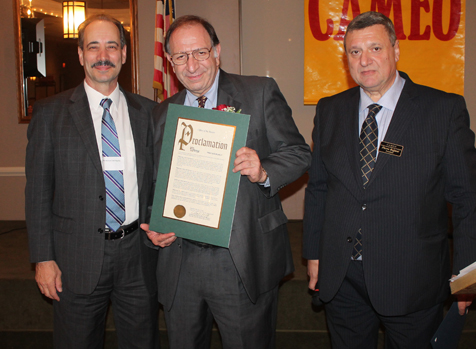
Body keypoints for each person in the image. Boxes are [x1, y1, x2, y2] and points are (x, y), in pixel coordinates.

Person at [303, 11, 476, 348]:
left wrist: (468, 275)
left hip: (412, 278)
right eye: (355, 52)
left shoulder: (442, 110)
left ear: (396, 50)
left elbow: (467, 197)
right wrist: (314, 255)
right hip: (342, 277)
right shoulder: (330, 109)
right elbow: (318, 187)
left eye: (375, 48)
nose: (365, 60)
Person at [141, 15, 311, 349]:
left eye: (200, 53)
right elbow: (153, 182)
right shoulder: (161, 115)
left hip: (241, 259)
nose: (192, 65)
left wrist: (263, 170)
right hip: (180, 262)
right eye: (180, 56)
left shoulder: (259, 92)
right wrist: (154, 225)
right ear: (171, 64)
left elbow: (299, 153)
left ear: (217, 52)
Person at [25, 14, 159, 349]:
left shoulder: (148, 113)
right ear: (82, 54)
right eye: (94, 47)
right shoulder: (50, 114)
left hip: (137, 257)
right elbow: (38, 192)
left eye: (111, 46)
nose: (103, 55)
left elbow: (157, 182)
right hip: (75, 258)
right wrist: (43, 258)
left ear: (124, 54)